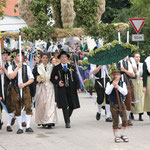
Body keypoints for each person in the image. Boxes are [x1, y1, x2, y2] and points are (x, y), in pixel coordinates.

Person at [50, 51, 81, 128]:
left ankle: (67, 116)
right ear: (60, 58)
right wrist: (58, 82)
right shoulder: (56, 68)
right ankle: (67, 122)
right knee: (64, 105)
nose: (64, 58)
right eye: (62, 57)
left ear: (67, 58)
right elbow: (52, 78)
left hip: (71, 88)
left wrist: (78, 87)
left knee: (72, 105)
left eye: (65, 57)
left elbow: (76, 77)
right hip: (62, 89)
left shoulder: (71, 67)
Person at [7, 49, 34, 134]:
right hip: (15, 89)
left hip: (25, 88)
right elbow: (11, 76)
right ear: (15, 56)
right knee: (17, 107)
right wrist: (18, 67)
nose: (20, 57)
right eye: (18, 55)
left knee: (28, 106)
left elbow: (32, 79)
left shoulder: (26, 66)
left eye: (21, 55)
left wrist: (25, 84)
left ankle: (28, 126)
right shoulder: (11, 66)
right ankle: (20, 127)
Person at [33, 53, 57, 128]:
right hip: (41, 87)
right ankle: (42, 120)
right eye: (43, 58)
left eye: (46, 58)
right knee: (42, 104)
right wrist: (38, 79)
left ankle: (50, 120)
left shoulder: (51, 67)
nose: (45, 59)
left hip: (50, 86)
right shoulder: (37, 67)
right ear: (41, 59)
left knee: (50, 103)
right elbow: (34, 77)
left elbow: (53, 76)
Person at [105, 68, 128, 143]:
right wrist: (112, 85)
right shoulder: (109, 83)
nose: (116, 76)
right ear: (113, 75)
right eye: (115, 74)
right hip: (113, 104)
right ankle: (116, 136)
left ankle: (123, 134)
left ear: (120, 76)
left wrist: (118, 87)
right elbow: (107, 92)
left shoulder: (122, 83)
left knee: (124, 119)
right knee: (115, 120)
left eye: (118, 74)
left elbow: (125, 93)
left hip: (121, 103)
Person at [119, 57, 135, 126]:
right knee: (118, 103)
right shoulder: (114, 63)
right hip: (118, 84)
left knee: (128, 102)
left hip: (126, 83)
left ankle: (127, 118)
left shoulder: (127, 63)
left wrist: (124, 70)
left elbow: (132, 74)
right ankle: (120, 121)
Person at [130, 53, 144, 121]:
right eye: (136, 57)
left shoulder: (142, 64)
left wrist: (142, 77)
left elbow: (144, 73)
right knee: (133, 96)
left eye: (139, 57)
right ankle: (131, 113)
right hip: (132, 82)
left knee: (140, 97)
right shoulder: (130, 65)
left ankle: (140, 115)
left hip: (140, 82)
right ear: (133, 58)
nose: (138, 58)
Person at [0, 48, 11, 130]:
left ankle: (8, 124)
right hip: (0, 88)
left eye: (6, 55)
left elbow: (10, 77)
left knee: (8, 105)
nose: (5, 56)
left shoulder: (9, 65)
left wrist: (4, 69)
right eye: (3, 55)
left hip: (7, 87)